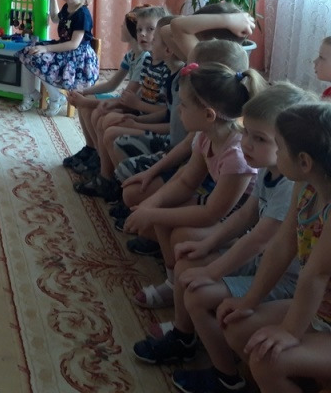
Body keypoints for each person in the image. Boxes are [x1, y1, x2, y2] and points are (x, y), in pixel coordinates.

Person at [158, 83, 316, 391]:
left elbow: (259, 239)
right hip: (262, 263)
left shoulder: (290, 185)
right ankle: (183, 337)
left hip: (283, 280)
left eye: (260, 139)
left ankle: (227, 377)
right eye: (246, 133)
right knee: (188, 265)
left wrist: (212, 271)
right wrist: (206, 247)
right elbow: (245, 217)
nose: (247, 144)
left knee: (198, 293)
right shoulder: (269, 169)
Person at [123, 63, 265, 326]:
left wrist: (153, 213)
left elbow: (213, 214)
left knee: (180, 234)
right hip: (218, 207)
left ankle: (183, 303)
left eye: (184, 105)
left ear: (209, 115)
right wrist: (151, 205)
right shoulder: (204, 135)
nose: (178, 109)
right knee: (162, 216)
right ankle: (172, 282)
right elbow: (187, 181)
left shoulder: (236, 156)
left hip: (240, 224)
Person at [220, 102, 331, 393]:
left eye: (279, 149)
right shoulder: (305, 186)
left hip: (324, 313)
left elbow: (316, 274)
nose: (277, 155)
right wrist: (249, 300)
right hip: (321, 310)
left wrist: (290, 331)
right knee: (236, 327)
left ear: (304, 161)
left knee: (268, 360)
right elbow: (282, 246)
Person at [74, 14, 173, 202]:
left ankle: (110, 179)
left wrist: (136, 115)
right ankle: (100, 163)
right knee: (100, 114)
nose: (142, 34)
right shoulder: (147, 60)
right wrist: (87, 94)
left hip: (153, 122)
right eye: (139, 29)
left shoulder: (162, 67)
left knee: (106, 121)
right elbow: (118, 89)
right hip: (142, 114)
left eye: (151, 31)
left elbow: (165, 113)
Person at [64, 5, 155, 173]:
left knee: (91, 108)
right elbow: (112, 84)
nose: (120, 27)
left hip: (133, 107)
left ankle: (100, 157)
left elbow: (127, 100)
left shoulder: (145, 58)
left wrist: (84, 101)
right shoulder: (131, 55)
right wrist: (84, 92)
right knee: (86, 102)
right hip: (129, 102)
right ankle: (92, 149)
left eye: (123, 25)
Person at [16, 0, 99, 116]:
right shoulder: (67, 7)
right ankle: (31, 93)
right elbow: (55, 18)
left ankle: (56, 98)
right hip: (63, 47)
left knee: (43, 61)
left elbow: (74, 44)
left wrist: (46, 48)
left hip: (77, 56)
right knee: (28, 52)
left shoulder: (83, 14)